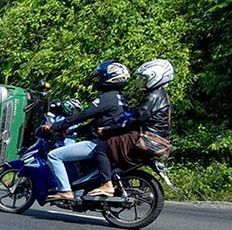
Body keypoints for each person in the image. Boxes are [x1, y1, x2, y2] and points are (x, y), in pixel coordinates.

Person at [43, 60, 130, 200]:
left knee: (54, 156)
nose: (99, 80)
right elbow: (98, 122)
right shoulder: (120, 99)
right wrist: (73, 131)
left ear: (110, 77)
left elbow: (83, 115)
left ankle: (65, 190)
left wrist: (55, 126)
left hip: (96, 143)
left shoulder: (106, 98)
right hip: (109, 141)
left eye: (101, 76)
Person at [101, 59, 174, 168]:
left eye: (144, 78)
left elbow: (135, 120)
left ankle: (107, 182)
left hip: (146, 137)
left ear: (154, 77)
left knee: (102, 147)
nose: (141, 81)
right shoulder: (161, 95)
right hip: (156, 137)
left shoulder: (153, 96)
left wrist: (107, 130)